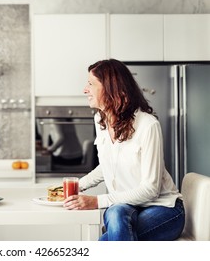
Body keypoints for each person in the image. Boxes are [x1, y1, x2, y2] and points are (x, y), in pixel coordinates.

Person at [64, 59, 185, 241]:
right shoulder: (100, 120)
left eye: (90, 83)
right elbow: (108, 166)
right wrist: (77, 186)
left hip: (164, 209)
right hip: (126, 206)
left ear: (110, 88)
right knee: (117, 211)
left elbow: (150, 189)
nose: (85, 89)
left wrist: (97, 201)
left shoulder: (147, 125)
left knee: (114, 222)